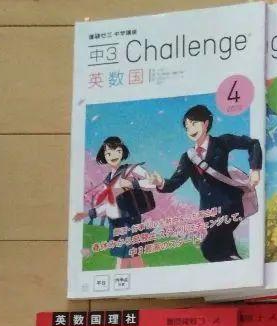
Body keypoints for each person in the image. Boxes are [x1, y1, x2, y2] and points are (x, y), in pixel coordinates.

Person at [149, 104, 262, 262]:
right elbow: (174, 182)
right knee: (225, 253)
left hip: (230, 205)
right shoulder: (188, 157)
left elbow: (253, 143)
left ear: (206, 123)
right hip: (208, 212)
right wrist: (160, 182)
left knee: (209, 249)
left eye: (194, 123)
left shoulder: (222, 142)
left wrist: (255, 170)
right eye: (187, 127)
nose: (190, 130)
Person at [74, 136, 156, 268]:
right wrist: (87, 214)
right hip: (116, 223)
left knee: (129, 258)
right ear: (104, 156)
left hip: (130, 221)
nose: (114, 155)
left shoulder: (131, 169)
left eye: (118, 151)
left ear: (122, 152)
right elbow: (109, 205)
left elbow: (152, 183)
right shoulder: (107, 179)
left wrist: (132, 184)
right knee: (129, 259)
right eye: (109, 153)